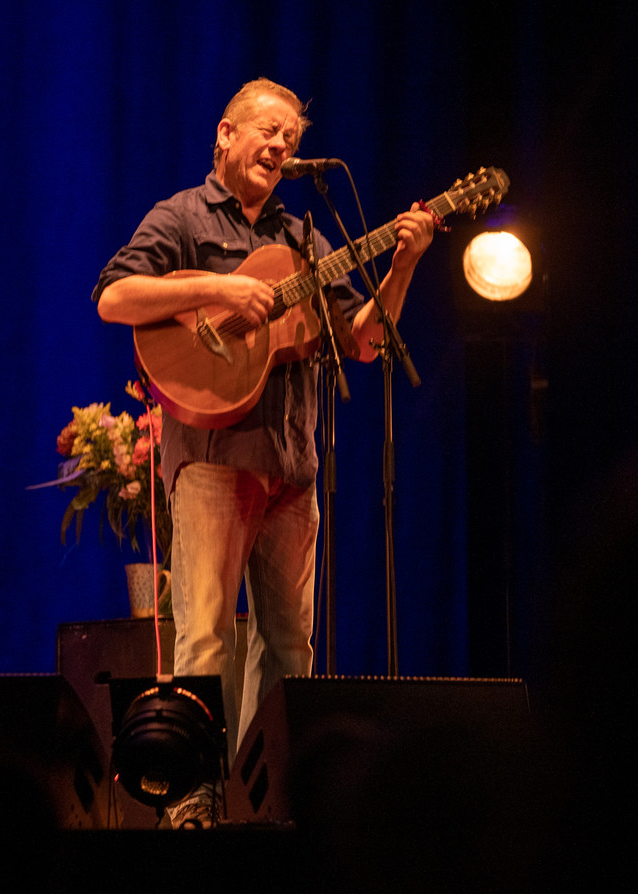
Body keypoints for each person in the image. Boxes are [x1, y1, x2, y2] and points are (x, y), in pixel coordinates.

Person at [93, 77, 436, 826]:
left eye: (291, 140)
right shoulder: (181, 216)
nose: (281, 146)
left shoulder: (304, 239)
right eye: (268, 131)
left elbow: (365, 342)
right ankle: (191, 802)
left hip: (292, 472)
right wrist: (216, 291)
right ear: (225, 134)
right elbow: (114, 298)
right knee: (205, 637)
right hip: (215, 463)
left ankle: (269, 802)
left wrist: (404, 263)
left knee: (291, 647)